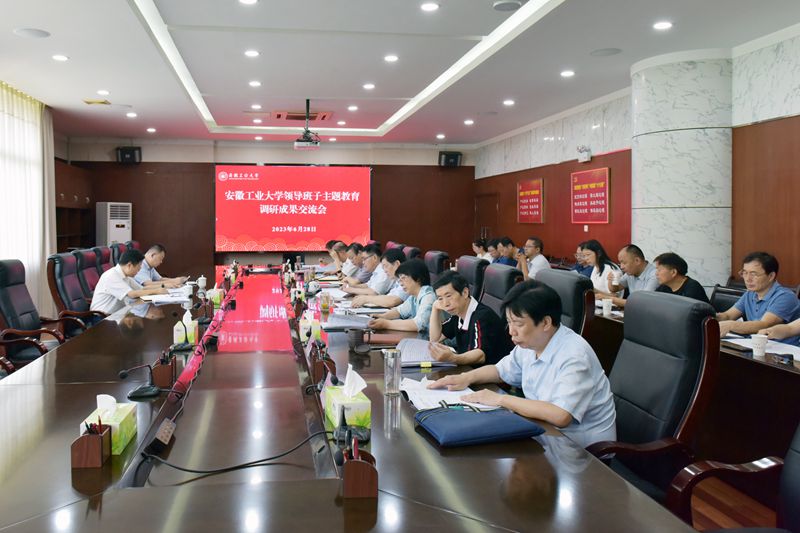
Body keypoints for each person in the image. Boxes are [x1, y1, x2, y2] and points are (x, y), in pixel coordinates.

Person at [428, 280, 616, 448]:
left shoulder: (574, 355)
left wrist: (500, 399)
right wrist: (465, 378)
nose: (511, 331)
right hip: (543, 431)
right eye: (509, 322)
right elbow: (500, 371)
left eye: (518, 324)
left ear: (545, 323)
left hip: (579, 449)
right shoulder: (531, 343)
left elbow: (561, 415)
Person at [428, 271, 513, 365]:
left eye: (448, 296)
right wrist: (435, 309)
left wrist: (453, 358)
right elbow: (435, 339)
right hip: (470, 368)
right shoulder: (458, 313)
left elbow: (480, 356)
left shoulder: (482, 317)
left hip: (491, 371)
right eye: (440, 298)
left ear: (465, 293)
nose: (445, 303)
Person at [716, 252, 800, 341]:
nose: (748, 279)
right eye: (745, 273)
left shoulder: (785, 297)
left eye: (753, 274)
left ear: (771, 276)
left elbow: (764, 324)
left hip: (781, 347)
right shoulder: (750, 294)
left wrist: (731, 325)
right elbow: (728, 316)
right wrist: (711, 316)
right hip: (754, 344)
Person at [368, 259, 435, 336]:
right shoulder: (413, 297)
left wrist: (386, 324)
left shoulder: (428, 296)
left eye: (404, 278)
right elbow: (399, 311)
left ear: (418, 278)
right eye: (399, 280)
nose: (401, 283)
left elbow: (418, 325)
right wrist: (382, 316)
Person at [91, 249, 167, 315]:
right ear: (129, 265)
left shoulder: (126, 276)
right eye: (138, 267)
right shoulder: (111, 276)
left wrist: (161, 289)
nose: (139, 270)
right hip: (101, 317)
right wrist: (156, 291)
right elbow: (132, 294)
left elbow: (141, 289)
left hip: (117, 314)